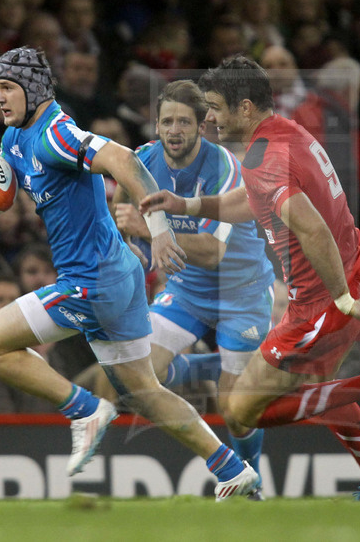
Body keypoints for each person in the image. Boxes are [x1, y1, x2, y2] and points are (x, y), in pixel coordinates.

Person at [0, 46, 257, 500]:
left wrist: (160, 228)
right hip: (119, 274)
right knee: (144, 390)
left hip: (91, 283)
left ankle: (85, 410)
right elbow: (4, 194)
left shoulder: (57, 133)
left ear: (31, 89)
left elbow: (123, 160)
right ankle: (230, 467)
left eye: (7, 88)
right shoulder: (15, 139)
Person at [140, 56, 360, 501]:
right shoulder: (286, 134)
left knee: (240, 412)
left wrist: (341, 300)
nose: (209, 118)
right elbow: (254, 201)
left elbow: (310, 227)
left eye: (215, 107)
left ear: (246, 107)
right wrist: (186, 206)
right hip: (355, 271)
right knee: (320, 392)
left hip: (323, 299)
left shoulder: (264, 159)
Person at [113, 79, 275, 498]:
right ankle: (233, 469)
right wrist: (132, 240)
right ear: (157, 126)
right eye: (167, 121)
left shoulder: (223, 167)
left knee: (236, 412)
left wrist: (148, 234)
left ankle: (252, 485)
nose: (174, 130)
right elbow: (123, 213)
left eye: (184, 121)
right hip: (186, 292)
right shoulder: (143, 161)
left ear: (202, 125)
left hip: (242, 292)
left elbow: (211, 253)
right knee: (138, 373)